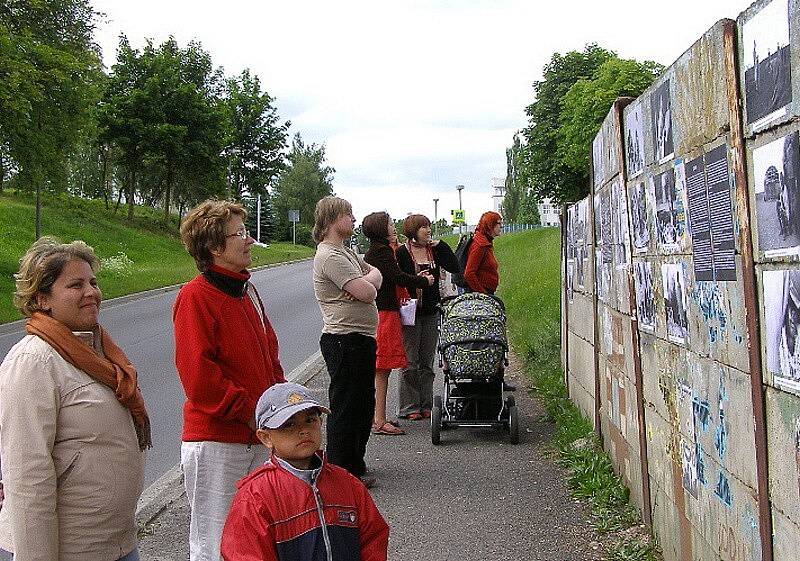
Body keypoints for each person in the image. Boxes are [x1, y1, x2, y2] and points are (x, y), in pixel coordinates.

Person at [0, 237, 150, 560]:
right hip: (74, 550)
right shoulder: (33, 362)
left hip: (118, 543)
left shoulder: (98, 351)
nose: (91, 292)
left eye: (93, 282)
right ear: (42, 299)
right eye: (76, 285)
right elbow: (28, 481)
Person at [173, 200, 286, 561]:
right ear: (215, 246)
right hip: (218, 441)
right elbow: (201, 380)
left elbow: (270, 358)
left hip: (258, 433)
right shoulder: (195, 297)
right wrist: (253, 415)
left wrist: (283, 408)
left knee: (258, 538)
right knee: (215, 543)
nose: (249, 240)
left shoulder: (248, 291)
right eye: (239, 233)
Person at [220, 382, 389, 561]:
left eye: (310, 420)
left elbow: (373, 539)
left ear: (320, 422)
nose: (303, 431)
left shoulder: (347, 483)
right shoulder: (255, 496)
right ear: (266, 437)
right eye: (289, 424)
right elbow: (245, 554)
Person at [312, 196, 382, 486]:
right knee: (346, 406)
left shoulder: (346, 251)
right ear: (331, 220)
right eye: (348, 214)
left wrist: (372, 278)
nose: (354, 219)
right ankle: (342, 472)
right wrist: (371, 280)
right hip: (343, 339)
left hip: (360, 338)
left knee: (364, 403)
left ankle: (355, 462)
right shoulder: (329, 256)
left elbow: (373, 277)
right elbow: (367, 291)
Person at [363, 212, 433, 435]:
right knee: (382, 367)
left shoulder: (379, 250)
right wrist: (423, 280)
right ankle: (379, 420)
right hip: (384, 312)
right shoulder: (382, 251)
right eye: (390, 224)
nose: (394, 227)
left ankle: (379, 416)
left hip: (384, 311)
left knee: (382, 368)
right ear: (381, 229)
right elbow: (397, 276)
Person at [395, 214, 459, 420]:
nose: (428, 230)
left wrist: (442, 246)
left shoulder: (434, 251)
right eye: (424, 227)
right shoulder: (402, 253)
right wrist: (417, 280)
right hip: (410, 313)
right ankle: (409, 406)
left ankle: (426, 403)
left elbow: (455, 266)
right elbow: (398, 279)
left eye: (429, 227)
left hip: (431, 311)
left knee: (427, 361)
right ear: (413, 230)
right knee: (410, 361)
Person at [464, 211, 502, 295]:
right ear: (490, 225)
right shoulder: (480, 245)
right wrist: (483, 294)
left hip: (486, 291)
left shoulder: (485, 242)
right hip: (481, 294)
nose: (501, 226)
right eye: (498, 223)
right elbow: (469, 274)